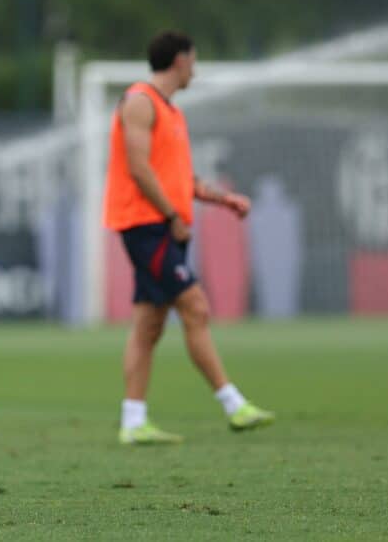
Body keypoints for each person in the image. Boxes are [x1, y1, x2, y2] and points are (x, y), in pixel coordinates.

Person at [104, 30, 275, 445]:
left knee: (149, 325)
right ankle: (234, 404)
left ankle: (133, 421)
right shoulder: (140, 102)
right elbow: (140, 169)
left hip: (163, 225)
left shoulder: (171, 112)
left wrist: (223, 200)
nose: (195, 68)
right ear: (180, 60)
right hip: (146, 226)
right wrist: (170, 215)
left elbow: (178, 177)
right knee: (196, 307)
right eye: (193, 60)